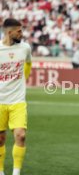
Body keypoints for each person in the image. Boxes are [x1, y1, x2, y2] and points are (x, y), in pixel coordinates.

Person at [0, 18, 32, 175]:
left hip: (18, 101)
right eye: (19, 31)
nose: (22, 33)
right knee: (0, 139)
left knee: (20, 136)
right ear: (9, 32)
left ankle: (16, 172)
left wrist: (22, 79)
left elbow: (28, 64)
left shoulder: (25, 48)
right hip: (0, 101)